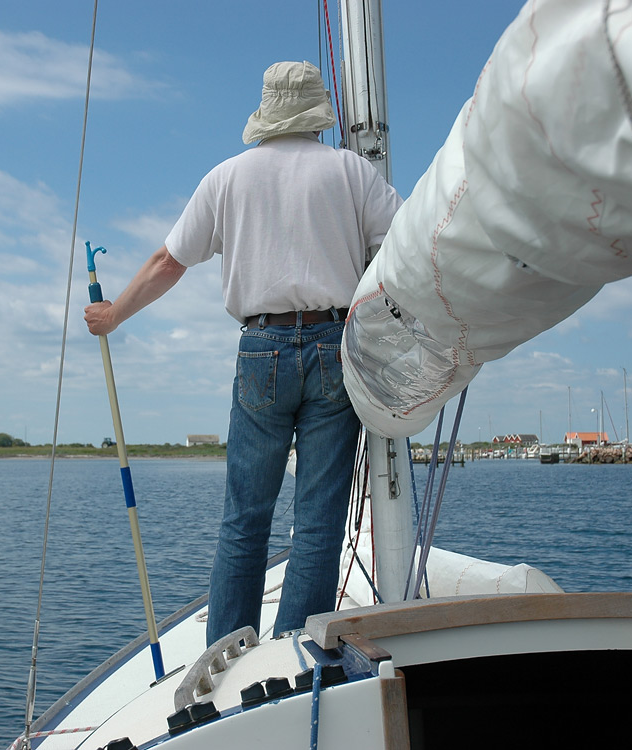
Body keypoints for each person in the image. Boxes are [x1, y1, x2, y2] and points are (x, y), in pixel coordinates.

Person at [84, 61, 402, 645]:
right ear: (315, 114)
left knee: (245, 517)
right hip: (335, 345)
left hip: (261, 349)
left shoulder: (227, 178)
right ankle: (291, 648)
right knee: (318, 519)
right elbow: (400, 254)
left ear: (267, 113)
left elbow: (167, 262)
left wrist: (113, 315)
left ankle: (227, 647)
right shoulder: (353, 174)